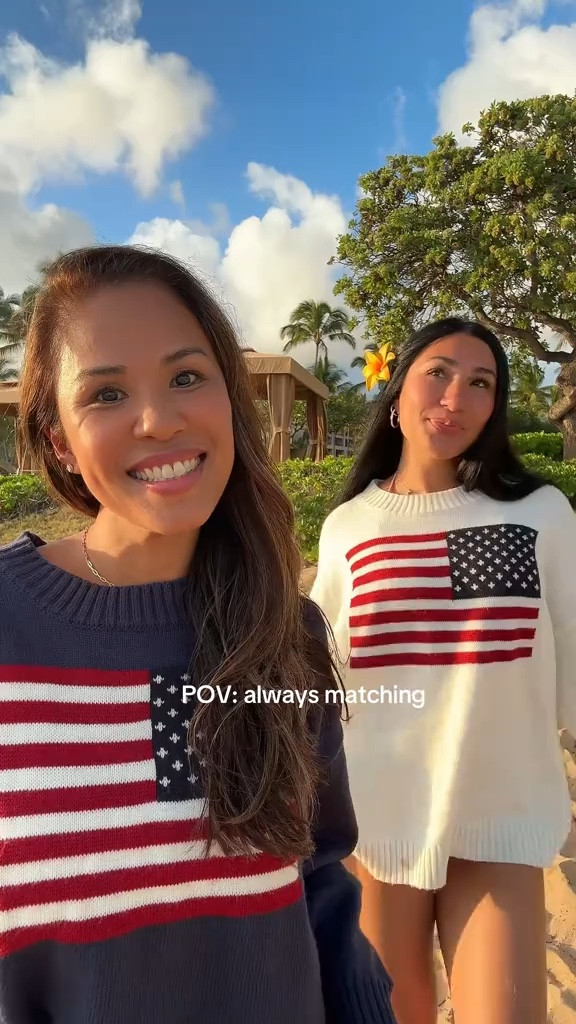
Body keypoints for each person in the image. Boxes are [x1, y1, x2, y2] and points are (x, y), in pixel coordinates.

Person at [0, 244, 396, 1024]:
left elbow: (320, 875)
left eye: (186, 377)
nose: (159, 419)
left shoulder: (287, 631)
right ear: (58, 439)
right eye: (107, 393)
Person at [310, 317, 576, 1024]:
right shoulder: (348, 526)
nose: (456, 396)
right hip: (379, 821)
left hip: (500, 813)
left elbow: (573, 650)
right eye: (438, 373)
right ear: (397, 394)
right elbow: (321, 673)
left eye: (481, 382)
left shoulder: (542, 513)